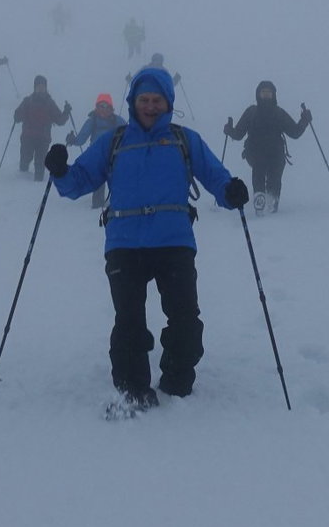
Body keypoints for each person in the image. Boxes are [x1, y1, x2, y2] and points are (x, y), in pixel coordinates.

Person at [45, 66, 248, 408]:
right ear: (133, 101)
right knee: (129, 321)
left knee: (185, 318)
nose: (150, 106)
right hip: (125, 244)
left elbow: (216, 177)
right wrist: (61, 170)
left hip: (174, 243)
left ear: (168, 102)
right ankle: (131, 389)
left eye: (157, 100)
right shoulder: (116, 141)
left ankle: (178, 381)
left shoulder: (185, 140)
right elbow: (78, 182)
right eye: (144, 99)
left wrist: (231, 191)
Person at [224, 80, 311, 215]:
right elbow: (239, 134)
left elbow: (294, 132)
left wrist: (304, 121)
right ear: (258, 94)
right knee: (259, 168)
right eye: (263, 92)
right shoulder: (251, 112)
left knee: (275, 175)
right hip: (255, 151)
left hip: (276, 153)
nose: (266, 95)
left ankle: (272, 198)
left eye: (268, 93)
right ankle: (260, 197)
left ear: (273, 95)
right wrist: (230, 130)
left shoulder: (279, 113)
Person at [66, 92, 125, 207]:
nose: (103, 109)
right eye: (100, 106)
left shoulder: (117, 120)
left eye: (106, 106)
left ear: (110, 107)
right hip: (97, 156)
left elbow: (127, 133)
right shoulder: (92, 120)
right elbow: (81, 138)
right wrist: (73, 140)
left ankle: (118, 203)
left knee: (116, 180)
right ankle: (97, 206)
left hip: (114, 156)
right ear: (96, 107)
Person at [12, 75, 72, 180]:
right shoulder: (27, 101)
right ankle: (20, 179)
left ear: (46, 87)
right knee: (25, 158)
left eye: (43, 86)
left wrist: (66, 112)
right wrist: (17, 115)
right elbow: (18, 117)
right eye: (38, 86)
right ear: (34, 87)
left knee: (40, 163)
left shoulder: (50, 103)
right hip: (27, 137)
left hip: (43, 139)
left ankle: (37, 186)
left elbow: (59, 120)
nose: (41, 88)